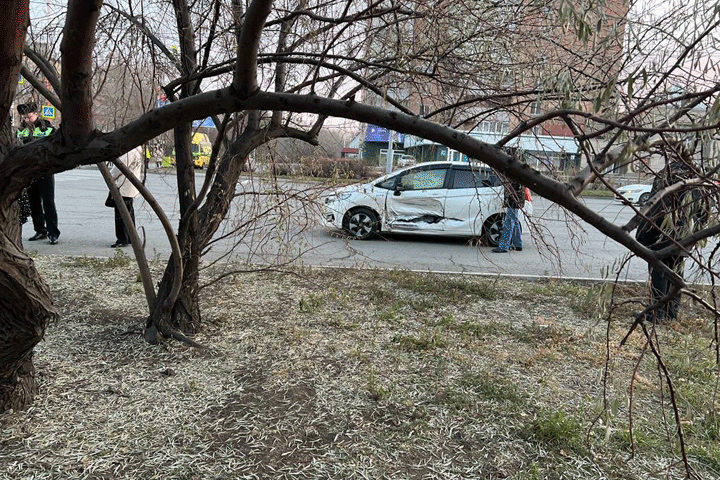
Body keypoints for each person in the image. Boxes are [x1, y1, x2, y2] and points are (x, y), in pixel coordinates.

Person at [635, 159, 710, 322]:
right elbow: (703, 213)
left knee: (659, 274)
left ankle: (657, 314)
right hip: (685, 238)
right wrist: (695, 234)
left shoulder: (667, 177)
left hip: (662, 236)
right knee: (676, 273)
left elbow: (654, 206)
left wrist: (643, 233)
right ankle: (671, 313)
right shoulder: (697, 181)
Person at [17, 101, 60, 245]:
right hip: (29, 172)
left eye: (28, 116)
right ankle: (40, 230)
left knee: (48, 202)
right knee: (34, 202)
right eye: (23, 116)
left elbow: (56, 146)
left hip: (44, 170)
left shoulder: (46, 128)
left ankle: (53, 232)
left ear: (36, 114)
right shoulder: (22, 129)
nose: (25, 119)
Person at [108, 146, 144, 248]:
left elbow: (120, 167)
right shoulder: (138, 149)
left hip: (124, 186)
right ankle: (131, 237)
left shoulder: (130, 151)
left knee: (120, 214)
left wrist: (109, 176)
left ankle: (122, 238)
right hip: (130, 186)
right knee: (129, 213)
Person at [492, 179, 525, 253]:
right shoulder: (520, 175)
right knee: (514, 221)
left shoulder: (515, 175)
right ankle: (518, 244)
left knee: (509, 222)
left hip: (513, 200)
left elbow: (512, 189)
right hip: (516, 200)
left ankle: (503, 247)